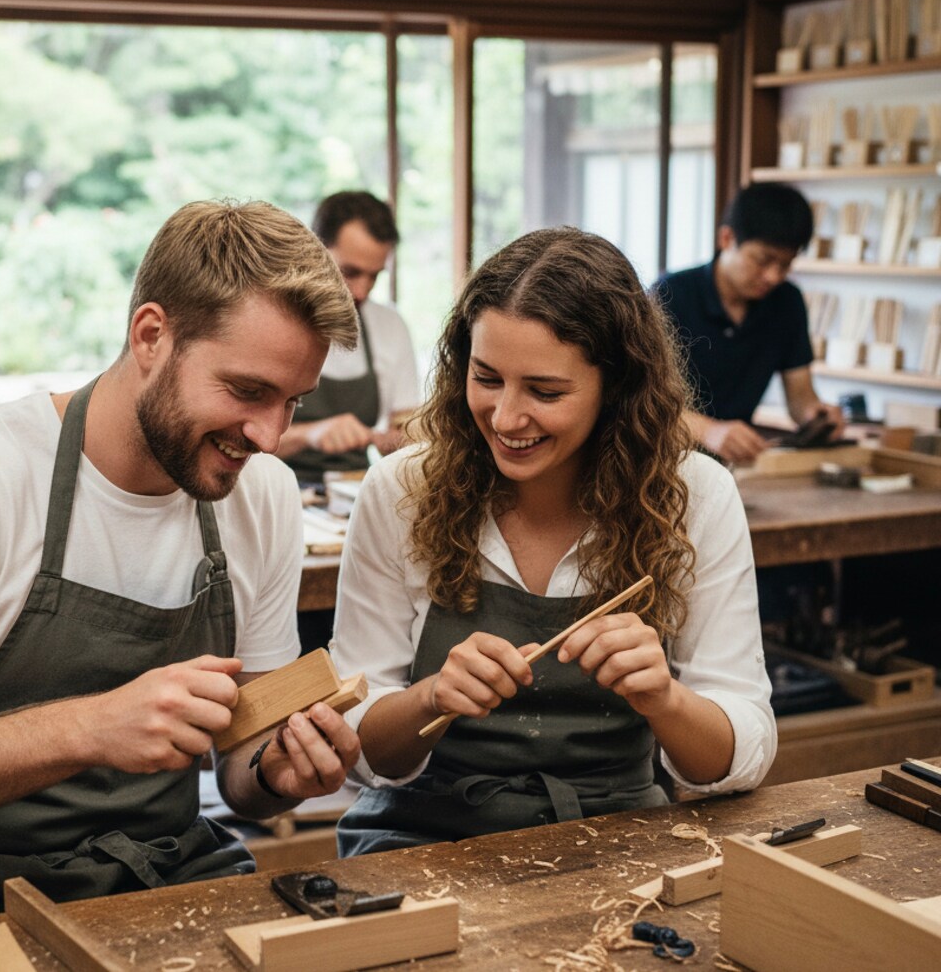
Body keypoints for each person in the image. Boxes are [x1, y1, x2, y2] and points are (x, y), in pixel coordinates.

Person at [0, 200, 363, 933]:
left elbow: (242, 759)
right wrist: (89, 728)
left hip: (166, 877)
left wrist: (274, 772)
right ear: (152, 335)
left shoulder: (261, 496)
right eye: (247, 391)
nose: (269, 433)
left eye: (293, 401)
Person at [329, 227, 775, 856]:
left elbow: (743, 751)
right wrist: (428, 698)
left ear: (616, 387)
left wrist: (666, 700)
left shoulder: (696, 495)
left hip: (619, 835)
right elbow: (355, 741)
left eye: (545, 392)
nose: (507, 419)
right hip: (421, 835)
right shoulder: (401, 488)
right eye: (486, 378)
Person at [655, 182, 843, 466]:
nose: (774, 276)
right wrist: (708, 430)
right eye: (763, 260)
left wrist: (816, 416)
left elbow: (800, 396)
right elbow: (636, 403)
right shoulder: (669, 296)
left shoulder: (787, 302)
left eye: (785, 264)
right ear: (727, 238)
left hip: (734, 467)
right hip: (662, 460)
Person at [277, 191, 419, 484]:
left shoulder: (390, 326)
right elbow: (235, 438)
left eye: (374, 276)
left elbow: (406, 429)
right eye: (350, 272)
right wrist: (310, 434)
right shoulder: (273, 321)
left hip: (353, 489)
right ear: (314, 250)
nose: (362, 292)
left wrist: (401, 442)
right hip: (276, 487)